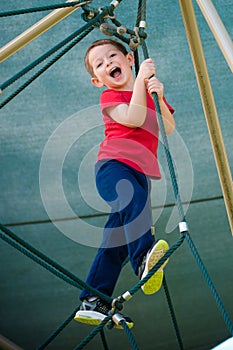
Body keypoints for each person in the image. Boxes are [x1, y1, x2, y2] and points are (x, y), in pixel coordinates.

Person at [74, 39, 175, 329]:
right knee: (133, 203)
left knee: (116, 239)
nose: (108, 64)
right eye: (100, 64)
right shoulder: (110, 97)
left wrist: (159, 95)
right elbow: (133, 118)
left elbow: (166, 128)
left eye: (112, 57)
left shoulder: (145, 90)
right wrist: (143, 79)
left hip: (140, 173)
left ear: (129, 59)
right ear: (97, 80)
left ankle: (94, 300)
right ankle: (143, 258)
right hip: (113, 167)